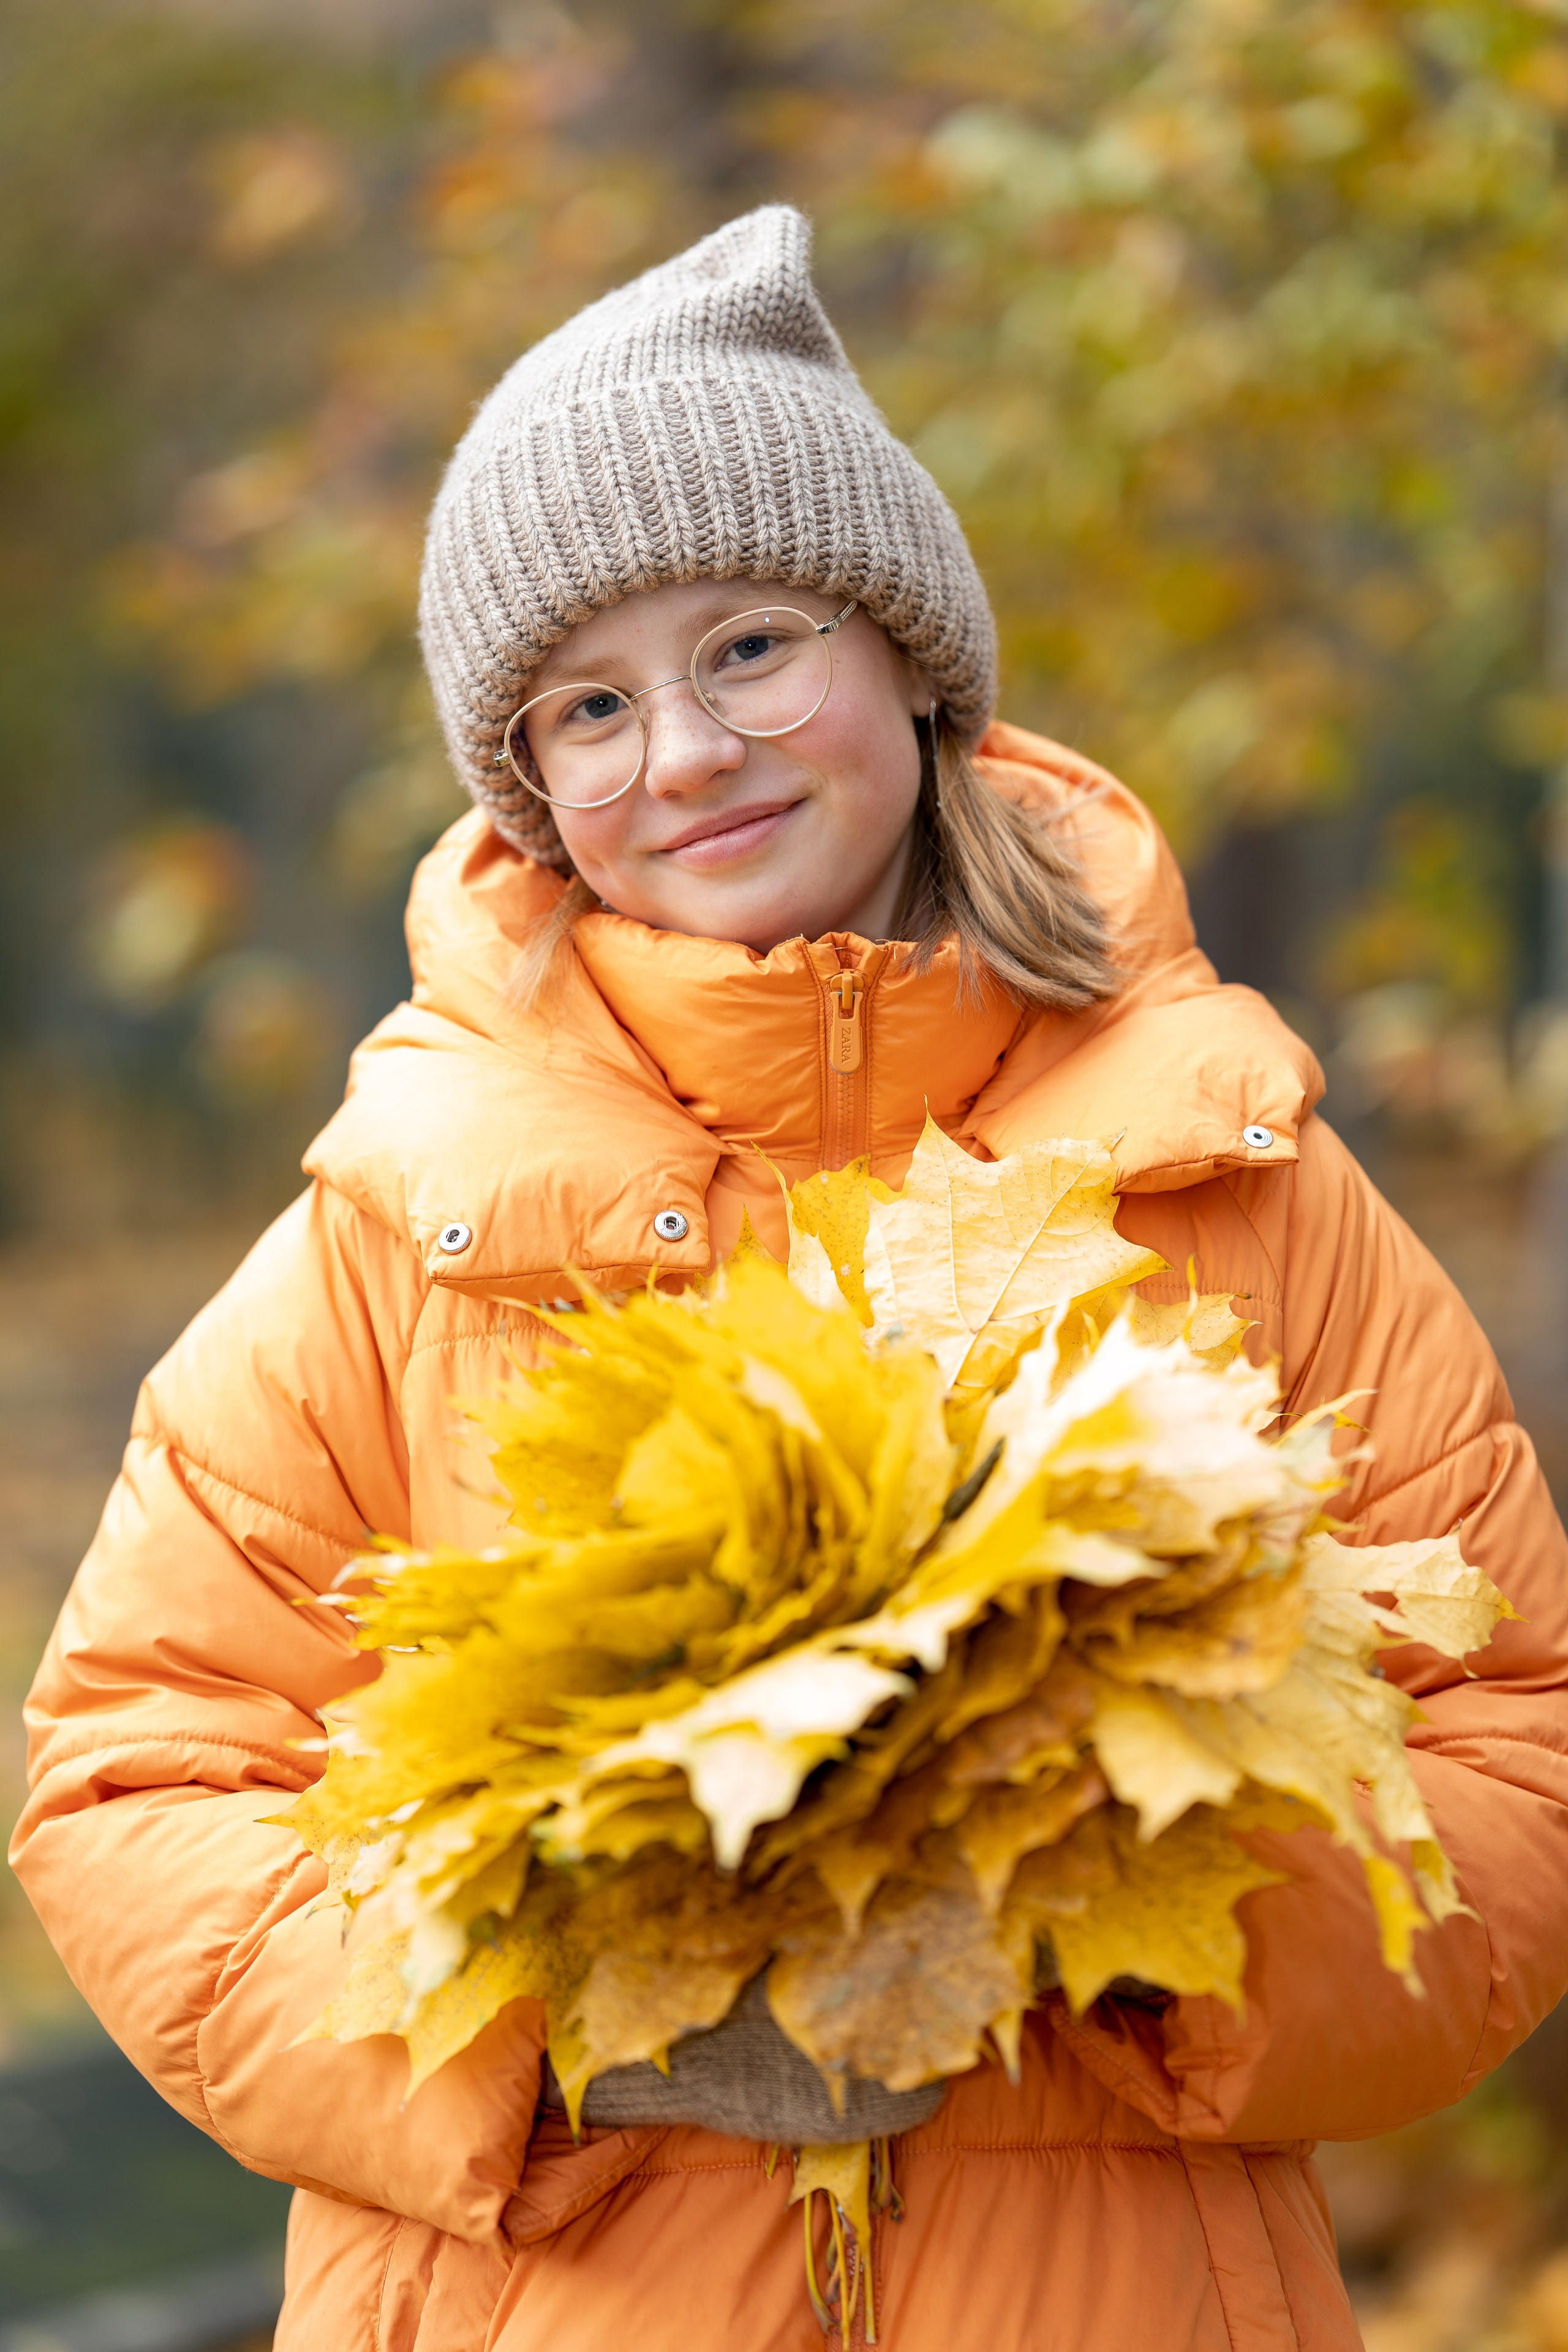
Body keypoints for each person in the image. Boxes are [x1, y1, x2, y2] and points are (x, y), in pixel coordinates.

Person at [13, 205, 1568, 2352]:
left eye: (750, 646)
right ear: (533, 786)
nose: (686, 754)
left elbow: (1517, 1733)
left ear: (908, 657)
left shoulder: (1232, 1176)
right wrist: (541, 2022)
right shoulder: (400, 1227)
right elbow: (133, 1766)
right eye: (589, 702)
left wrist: (1142, 1938)